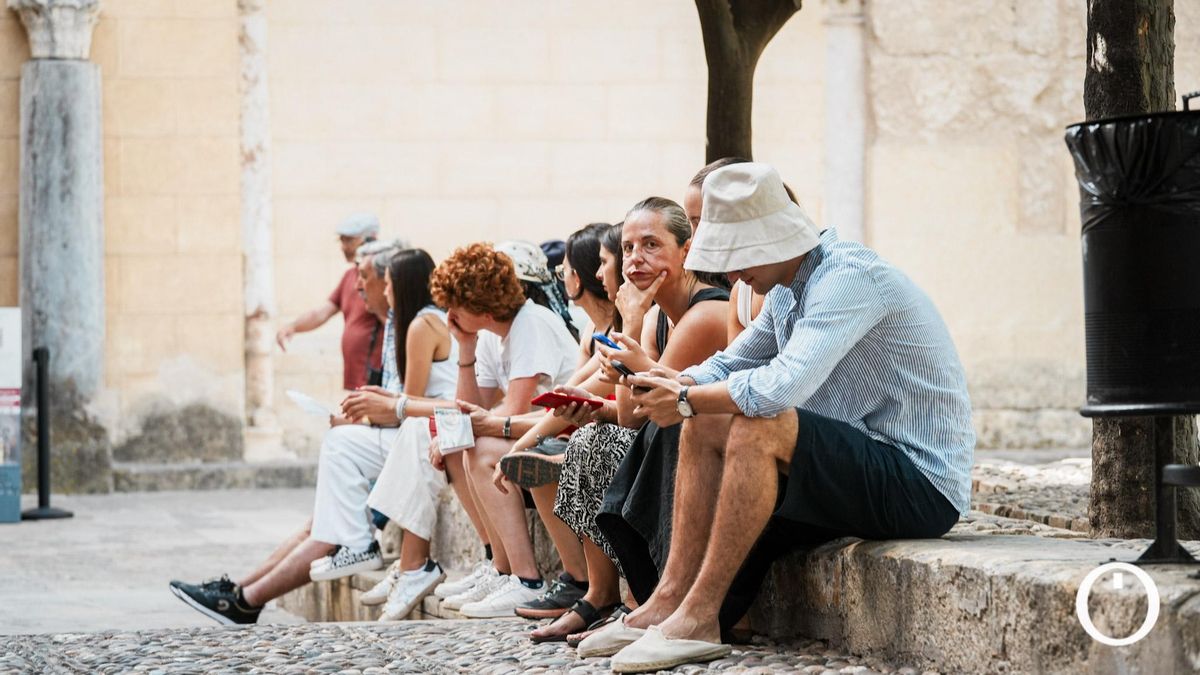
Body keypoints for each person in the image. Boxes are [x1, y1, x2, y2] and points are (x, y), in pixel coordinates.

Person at [583, 162, 974, 672]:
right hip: (858, 464)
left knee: (755, 419)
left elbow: (781, 387)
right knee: (707, 414)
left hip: (921, 484)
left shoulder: (849, 277)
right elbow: (733, 362)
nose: (729, 275)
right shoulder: (789, 284)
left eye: (734, 255)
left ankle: (701, 618)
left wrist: (684, 397)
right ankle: (668, 600)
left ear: (766, 240)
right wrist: (675, 384)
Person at [168, 240, 408, 625]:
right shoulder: (393, 327)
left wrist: (362, 421)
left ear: (390, 281)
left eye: (364, 278)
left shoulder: (408, 328)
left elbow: (407, 407)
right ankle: (239, 592)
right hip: (382, 444)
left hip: (397, 456)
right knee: (321, 521)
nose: (358, 288)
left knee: (327, 525)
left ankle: (245, 600)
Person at [531, 199, 730, 644]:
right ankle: (602, 595)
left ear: (686, 249)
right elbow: (627, 410)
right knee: (591, 438)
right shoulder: (661, 313)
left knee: (600, 444)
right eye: (628, 247)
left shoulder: (703, 315)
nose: (635, 258)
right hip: (668, 438)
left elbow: (634, 417)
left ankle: (638, 600)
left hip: (707, 452)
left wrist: (633, 318)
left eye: (652, 245)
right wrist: (588, 408)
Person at [426, 242, 579, 619]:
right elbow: (469, 408)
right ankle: (499, 565)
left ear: (479, 306)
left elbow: (511, 411)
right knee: (459, 444)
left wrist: (467, 428)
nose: (449, 314)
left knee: (477, 448)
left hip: (563, 430)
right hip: (532, 430)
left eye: (455, 305)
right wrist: (464, 346)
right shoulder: (494, 335)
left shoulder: (531, 324)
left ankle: (525, 579)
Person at [276, 213, 388, 390]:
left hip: (378, 376)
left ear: (370, 240)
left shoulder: (379, 279)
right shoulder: (350, 276)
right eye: (342, 241)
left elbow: (394, 324)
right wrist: (292, 326)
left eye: (349, 241)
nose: (344, 247)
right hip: (357, 376)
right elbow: (322, 313)